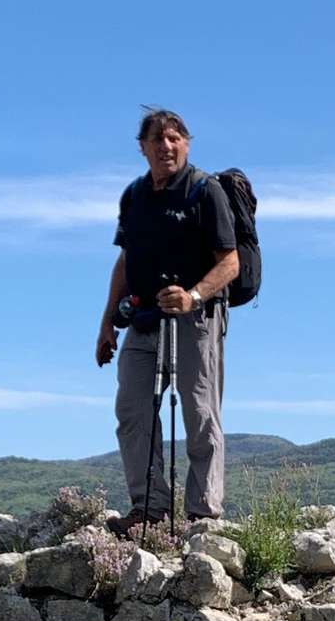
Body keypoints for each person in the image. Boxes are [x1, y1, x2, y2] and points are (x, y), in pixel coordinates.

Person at [96, 107, 239, 526]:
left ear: (187, 145)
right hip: (144, 316)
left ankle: (202, 514)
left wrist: (193, 296)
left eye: (175, 138)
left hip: (196, 318)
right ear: (142, 147)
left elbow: (230, 262)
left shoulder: (205, 191)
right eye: (157, 139)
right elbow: (125, 261)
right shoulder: (134, 196)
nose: (166, 146)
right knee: (132, 410)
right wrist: (107, 322)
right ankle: (149, 510)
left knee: (199, 411)